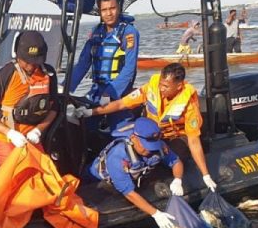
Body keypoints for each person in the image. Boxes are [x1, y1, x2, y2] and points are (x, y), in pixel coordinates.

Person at [74, 62, 218, 192]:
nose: (162, 88)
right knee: (129, 146)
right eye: (161, 84)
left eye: (166, 86)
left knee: (166, 155)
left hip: (176, 136)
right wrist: (92, 112)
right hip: (153, 133)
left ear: (179, 86)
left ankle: (164, 181)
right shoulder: (151, 88)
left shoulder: (189, 104)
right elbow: (121, 104)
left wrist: (205, 175)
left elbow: (194, 141)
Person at [88, 117, 183, 228]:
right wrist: (156, 214)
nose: (150, 150)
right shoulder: (117, 157)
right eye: (146, 146)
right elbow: (129, 193)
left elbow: (176, 162)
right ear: (134, 138)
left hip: (137, 175)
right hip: (95, 179)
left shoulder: (159, 146)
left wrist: (178, 179)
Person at [0, 30, 58, 167]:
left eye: (35, 62)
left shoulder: (48, 73)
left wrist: (39, 130)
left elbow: (54, 108)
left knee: (41, 176)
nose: (31, 66)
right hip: (7, 140)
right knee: (12, 179)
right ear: (18, 56)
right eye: (27, 62)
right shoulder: (4, 75)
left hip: (33, 139)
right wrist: (10, 133)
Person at [68, 0, 140, 131]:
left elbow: (130, 68)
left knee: (120, 133)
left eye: (112, 8)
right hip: (96, 91)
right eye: (104, 10)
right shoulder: (96, 32)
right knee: (85, 129)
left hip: (119, 93)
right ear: (100, 12)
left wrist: (110, 92)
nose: (109, 13)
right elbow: (83, 63)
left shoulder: (129, 33)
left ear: (118, 8)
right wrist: (65, 88)